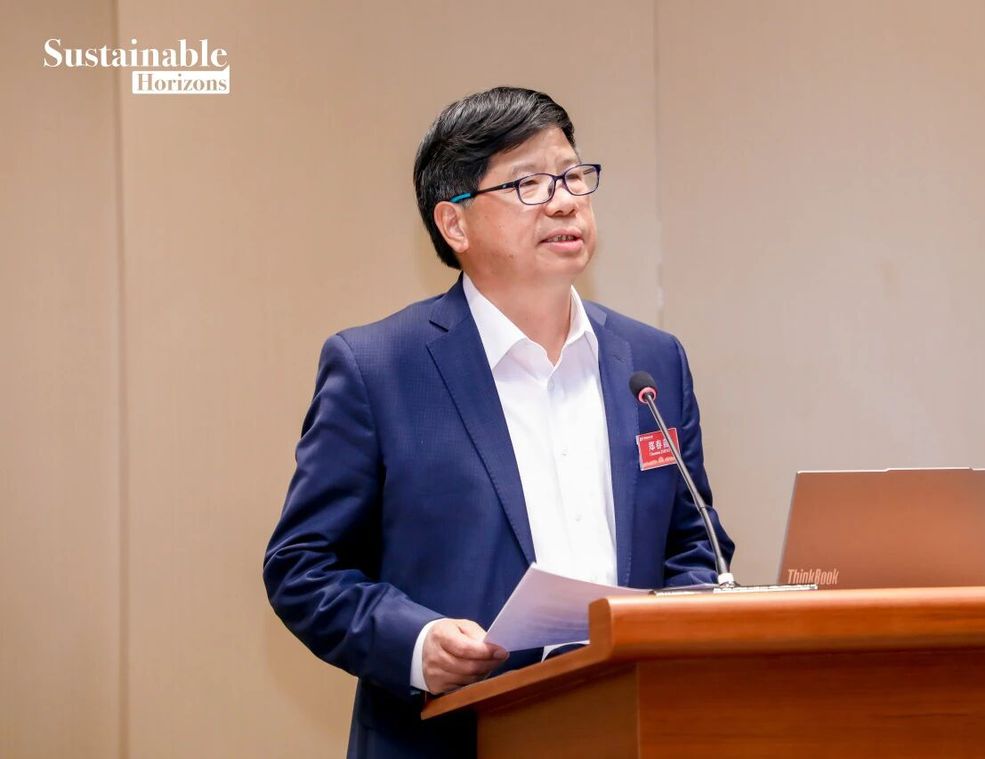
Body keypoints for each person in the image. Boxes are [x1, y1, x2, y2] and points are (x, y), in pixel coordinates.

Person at [263, 86, 733, 758]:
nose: (565, 200)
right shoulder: (378, 368)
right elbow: (303, 566)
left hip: (634, 726)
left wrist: (672, 625)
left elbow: (696, 543)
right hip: (452, 737)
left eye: (573, 176)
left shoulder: (650, 361)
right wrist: (417, 643)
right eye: (527, 184)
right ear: (454, 224)